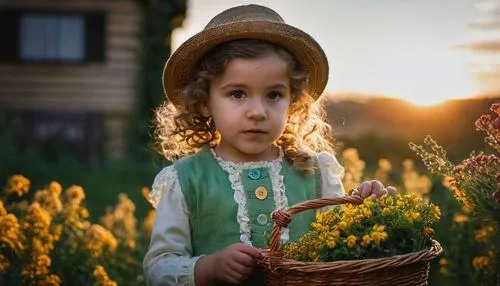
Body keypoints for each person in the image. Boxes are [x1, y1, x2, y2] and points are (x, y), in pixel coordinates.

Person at [143, 4, 395, 286]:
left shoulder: (316, 173)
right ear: (204, 102)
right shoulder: (186, 179)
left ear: (293, 102)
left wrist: (367, 214)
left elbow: (341, 253)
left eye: (274, 95)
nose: (258, 112)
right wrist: (209, 267)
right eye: (237, 94)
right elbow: (158, 267)